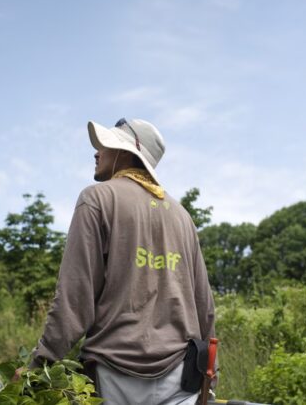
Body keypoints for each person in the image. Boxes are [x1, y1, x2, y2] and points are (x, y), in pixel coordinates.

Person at [27, 118, 216, 405]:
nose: (96, 151)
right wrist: (210, 379)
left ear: (126, 153)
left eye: (105, 144)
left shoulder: (97, 199)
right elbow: (205, 308)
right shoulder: (182, 216)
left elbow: (75, 298)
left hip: (116, 376)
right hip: (181, 380)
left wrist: (40, 365)